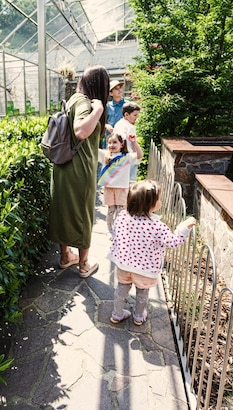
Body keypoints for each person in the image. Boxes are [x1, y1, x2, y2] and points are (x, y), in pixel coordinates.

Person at [47, 65, 110, 278]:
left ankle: (66, 257)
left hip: (62, 166)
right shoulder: (86, 103)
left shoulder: (74, 99)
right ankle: (83, 264)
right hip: (79, 170)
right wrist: (99, 110)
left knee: (63, 211)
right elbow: (81, 130)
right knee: (83, 215)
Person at [107, 179, 196, 325]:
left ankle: (117, 314)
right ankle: (138, 316)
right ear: (151, 205)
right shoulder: (157, 226)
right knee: (142, 292)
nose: (160, 201)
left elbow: (116, 232)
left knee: (121, 289)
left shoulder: (122, 216)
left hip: (123, 263)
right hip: (144, 268)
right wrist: (184, 227)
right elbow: (173, 242)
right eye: (158, 199)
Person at [98, 132, 143, 236]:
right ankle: (110, 231)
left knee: (121, 211)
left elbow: (140, 155)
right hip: (109, 188)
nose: (111, 145)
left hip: (122, 188)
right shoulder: (105, 155)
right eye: (109, 143)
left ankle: (119, 230)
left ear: (122, 144)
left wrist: (134, 143)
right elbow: (92, 149)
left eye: (114, 142)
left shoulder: (127, 157)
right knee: (110, 211)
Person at [113, 101, 142, 182]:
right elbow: (121, 139)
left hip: (123, 157)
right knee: (130, 182)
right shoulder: (128, 126)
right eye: (135, 115)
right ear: (126, 115)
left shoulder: (119, 124)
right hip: (128, 157)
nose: (136, 117)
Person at [103, 80, 126, 148]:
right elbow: (101, 121)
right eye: (116, 89)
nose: (119, 90)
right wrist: (107, 126)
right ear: (111, 93)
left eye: (120, 88)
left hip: (123, 140)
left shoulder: (127, 105)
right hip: (109, 141)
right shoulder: (107, 106)